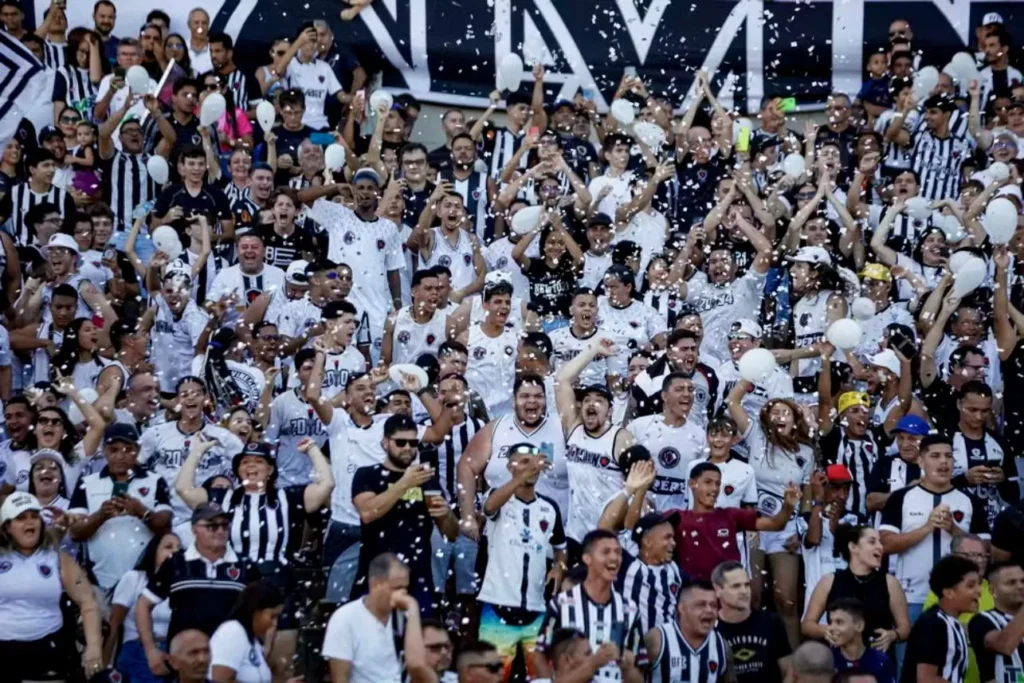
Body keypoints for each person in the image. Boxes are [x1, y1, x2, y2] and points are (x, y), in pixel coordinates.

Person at [477, 442, 567, 681]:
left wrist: (559, 566)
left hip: (537, 610)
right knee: (491, 678)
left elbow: (560, 549)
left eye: (536, 462)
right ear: (510, 467)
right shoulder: (498, 498)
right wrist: (519, 479)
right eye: (525, 462)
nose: (532, 467)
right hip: (497, 607)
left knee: (542, 679)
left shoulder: (549, 508)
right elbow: (488, 508)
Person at [351, 414, 459, 608]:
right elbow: (368, 513)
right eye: (401, 442)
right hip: (376, 575)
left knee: (419, 627)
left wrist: (447, 514)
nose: (408, 448)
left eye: (413, 443)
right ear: (385, 442)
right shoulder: (367, 474)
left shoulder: (425, 478)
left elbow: (451, 534)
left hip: (417, 578)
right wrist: (405, 483)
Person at [880, 434, 990, 624]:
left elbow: (986, 549)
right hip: (911, 596)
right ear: (921, 461)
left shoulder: (970, 501)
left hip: (958, 598)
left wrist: (954, 530)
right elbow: (886, 544)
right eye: (935, 456)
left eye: (948, 456)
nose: (943, 462)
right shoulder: (900, 498)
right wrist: (926, 528)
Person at [135, 502, 250, 677]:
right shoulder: (176, 563)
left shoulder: (244, 566)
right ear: (194, 529)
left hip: (229, 663)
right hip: (185, 663)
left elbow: (261, 611)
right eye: (212, 526)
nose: (220, 531)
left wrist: (262, 647)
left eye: (224, 525)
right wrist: (151, 650)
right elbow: (143, 605)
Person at [0, 492, 104, 680]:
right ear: (7, 527)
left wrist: (94, 648)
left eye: (34, 516)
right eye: (21, 518)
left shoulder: (56, 557)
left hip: (48, 649)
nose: (29, 522)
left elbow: (88, 601)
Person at [534, 529, 645, 683]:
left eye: (618, 552)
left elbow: (640, 675)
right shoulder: (561, 604)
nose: (614, 558)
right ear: (587, 558)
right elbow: (540, 655)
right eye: (606, 552)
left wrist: (627, 667)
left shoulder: (630, 610)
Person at [675, 462, 799, 582]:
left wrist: (788, 506)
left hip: (728, 589)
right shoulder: (677, 518)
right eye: (708, 482)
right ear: (692, 484)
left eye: (718, 484)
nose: (714, 488)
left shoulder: (730, 515)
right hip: (693, 590)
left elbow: (775, 524)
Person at [322, 552, 432, 683]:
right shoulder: (345, 618)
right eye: (397, 588)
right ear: (375, 584)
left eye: (405, 588)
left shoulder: (406, 615)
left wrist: (413, 610)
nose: (403, 594)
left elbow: (418, 665)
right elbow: (340, 679)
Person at [803, 524, 909, 658]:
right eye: (872, 542)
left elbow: (905, 627)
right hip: (839, 662)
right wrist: (826, 630)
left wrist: (893, 635)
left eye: (880, 542)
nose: (880, 547)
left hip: (878, 661)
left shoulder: (890, 582)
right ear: (853, 547)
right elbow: (807, 625)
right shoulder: (829, 581)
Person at [108, 533, 181, 683]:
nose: (174, 552)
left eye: (179, 549)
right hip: (137, 648)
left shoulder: (182, 586)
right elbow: (113, 624)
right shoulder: (134, 578)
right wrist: (106, 665)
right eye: (168, 547)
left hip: (172, 653)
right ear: (154, 552)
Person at [902, 555, 982, 683]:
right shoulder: (933, 623)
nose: (979, 590)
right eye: (970, 586)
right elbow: (926, 679)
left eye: (979, 584)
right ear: (948, 592)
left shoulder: (951, 624)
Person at [713, 560, 791, 683]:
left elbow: (789, 672)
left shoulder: (771, 622)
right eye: (736, 586)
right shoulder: (711, 630)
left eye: (747, 585)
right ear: (718, 590)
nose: (744, 591)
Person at [645, 580, 732, 683]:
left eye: (713, 605)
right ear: (681, 608)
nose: (709, 610)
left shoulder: (721, 645)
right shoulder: (657, 639)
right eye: (701, 605)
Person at [619, 511, 685, 636]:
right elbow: (604, 529)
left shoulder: (674, 569)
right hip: (634, 643)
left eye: (673, 537)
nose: (674, 543)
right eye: (667, 537)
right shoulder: (626, 565)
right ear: (647, 542)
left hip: (669, 642)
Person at [208, 581, 283, 683]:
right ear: (256, 611)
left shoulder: (252, 640)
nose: (274, 623)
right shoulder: (232, 631)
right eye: (272, 616)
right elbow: (220, 679)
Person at [968, 561, 1024, 683]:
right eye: (1011, 583)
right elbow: (1005, 645)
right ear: (993, 591)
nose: (1020, 586)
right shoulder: (982, 620)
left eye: (1023, 581)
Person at [826, 598, 896, 683]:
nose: (831, 628)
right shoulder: (827, 661)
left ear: (859, 626)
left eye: (839, 622)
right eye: (830, 622)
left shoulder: (880, 661)